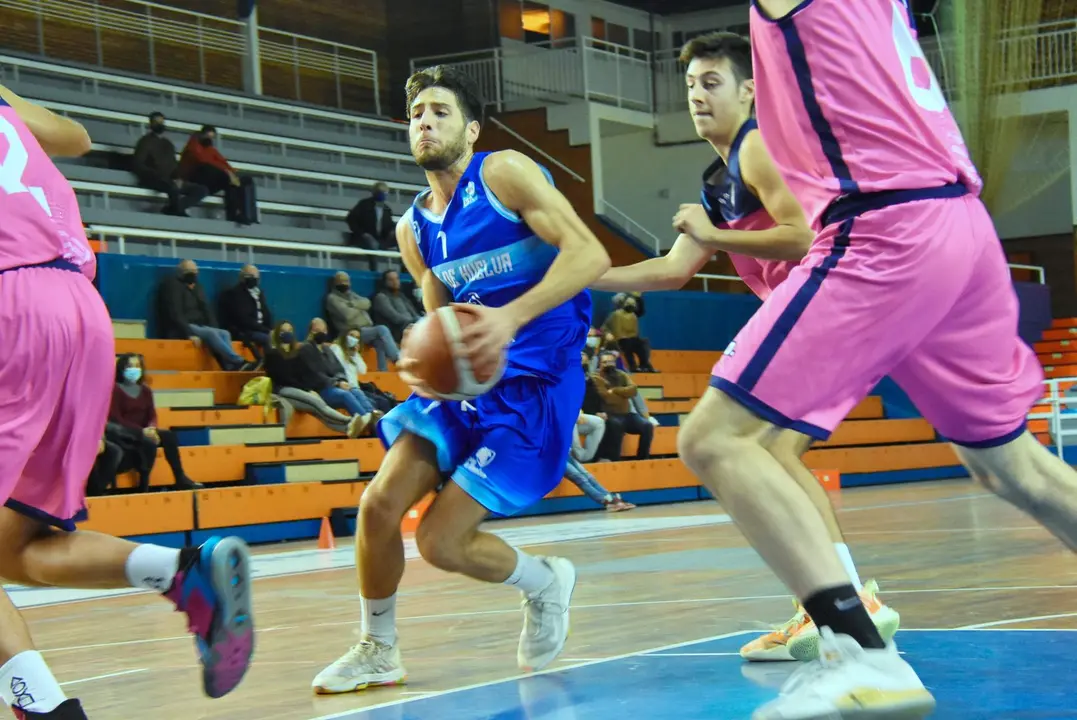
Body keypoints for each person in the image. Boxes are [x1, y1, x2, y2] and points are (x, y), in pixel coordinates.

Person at [676, 2, 1077, 717]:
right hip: (958, 222)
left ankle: (861, 657)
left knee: (715, 438)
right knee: (1009, 466)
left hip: (883, 225)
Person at [592, 32, 899, 663]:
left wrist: (710, 232)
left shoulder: (760, 147)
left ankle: (844, 601)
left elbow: (802, 237)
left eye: (712, 83)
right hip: (820, 316)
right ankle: (830, 602)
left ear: (749, 91)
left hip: (831, 306)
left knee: (767, 451)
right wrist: (576, 276)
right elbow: (670, 271)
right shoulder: (719, 180)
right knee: (778, 454)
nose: (698, 97)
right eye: (691, 86)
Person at [312, 65, 611, 694]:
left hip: (535, 380)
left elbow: (590, 254)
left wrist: (507, 320)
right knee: (378, 507)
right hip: (469, 381)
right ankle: (377, 648)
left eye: (441, 111)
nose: (426, 121)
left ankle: (544, 580)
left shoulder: (504, 174)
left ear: (472, 129)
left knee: (442, 545)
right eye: (418, 112)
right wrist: (426, 358)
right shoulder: (412, 228)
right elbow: (438, 315)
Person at [0, 84, 254, 720]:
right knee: (17, 549)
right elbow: (75, 137)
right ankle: (179, 571)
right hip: (81, 307)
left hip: (11, 303)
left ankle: (47, 712)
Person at [108, 354, 202, 492]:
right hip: (125, 431)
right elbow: (116, 419)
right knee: (148, 441)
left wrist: (152, 427)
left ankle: (180, 477)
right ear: (122, 369)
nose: (134, 369)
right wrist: (142, 431)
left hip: (145, 430)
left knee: (169, 436)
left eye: (137, 366)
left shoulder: (145, 390)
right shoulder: (115, 390)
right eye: (130, 366)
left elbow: (152, 414)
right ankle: (144, 483)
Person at [130, 111, 208, 216]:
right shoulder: (144, 142)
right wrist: (156, 175)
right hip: (153, 178)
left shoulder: (168, 144)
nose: (159, 124)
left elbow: (174, 165)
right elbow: (138, 164)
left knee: (201, 190)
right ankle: (177, 210)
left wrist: (179, 178)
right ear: (151, 124)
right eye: (156, 122)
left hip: (171, 179)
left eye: (161, 121)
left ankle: (174, 208)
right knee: (172, 186)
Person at [178, 125, 257, 225]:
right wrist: (227, 173)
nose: (210, 139)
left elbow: (223, 162)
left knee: (246, 180)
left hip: (210, 180)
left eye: (212, 137)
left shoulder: (211, 149)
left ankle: (247, 215)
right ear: (201, 135)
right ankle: (233, 214)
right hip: (194, 178)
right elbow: (203, 160)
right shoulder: (193, 144)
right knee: (220, 174)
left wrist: (233, 174)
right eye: (208, 136)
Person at [371, 269, 422, 344]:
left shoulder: (401, 296)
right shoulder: (381, 297)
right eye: (391, 280)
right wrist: (413, 322)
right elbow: (395, 318)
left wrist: (421, 321)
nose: (395, 282)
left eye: (397, 279)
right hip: (398, 330)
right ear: (385, 282)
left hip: (412, 325)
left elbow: (413, 313)